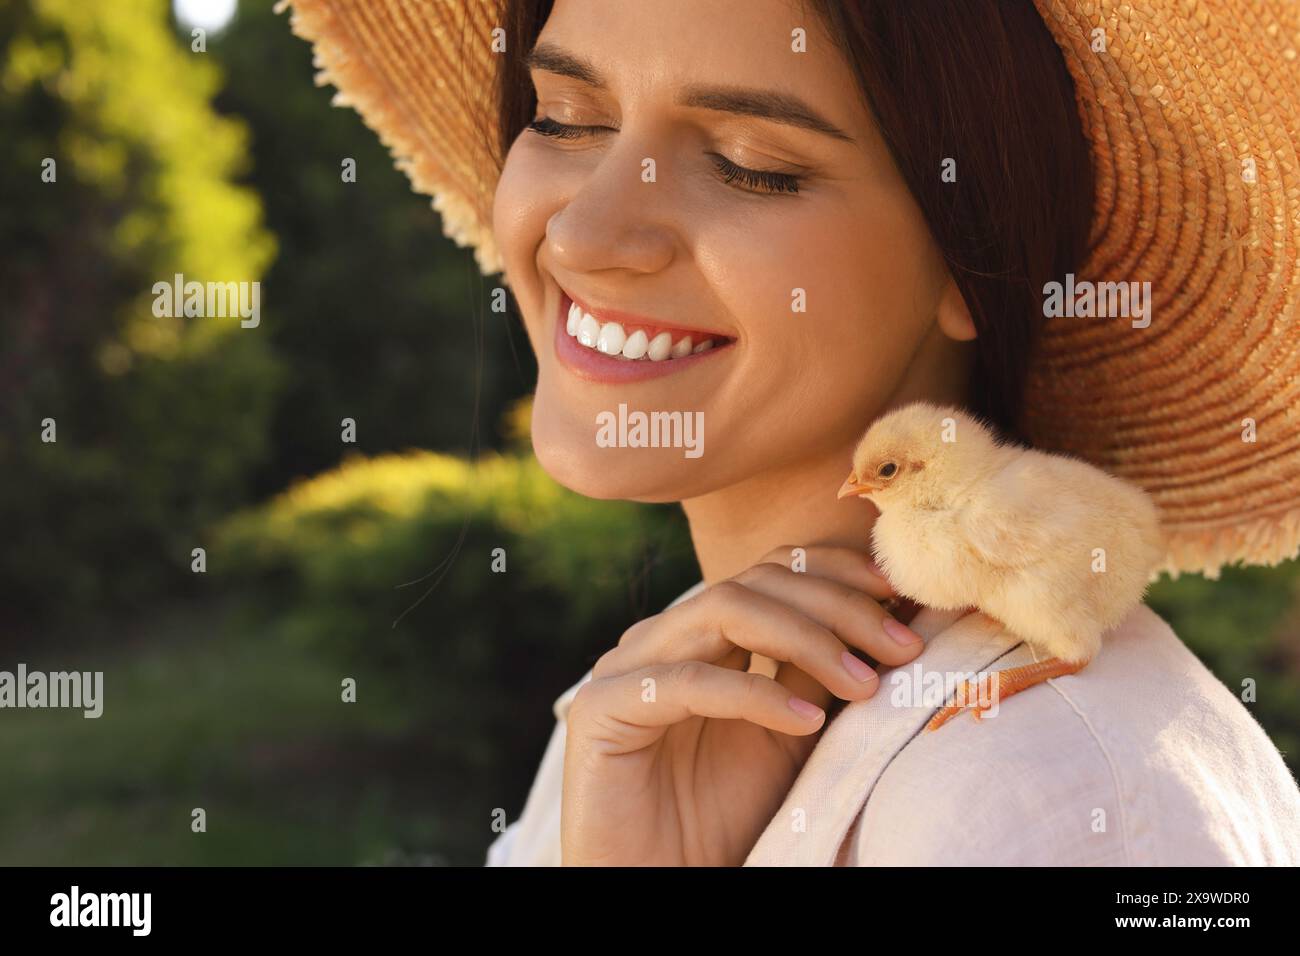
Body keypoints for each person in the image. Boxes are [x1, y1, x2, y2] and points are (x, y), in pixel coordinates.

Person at [281, 0, 1300, 865]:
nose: (585, 233)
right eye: (563, 118)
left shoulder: (1056, 799)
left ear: (967, 256)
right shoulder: (653, 706)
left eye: (749, 165)